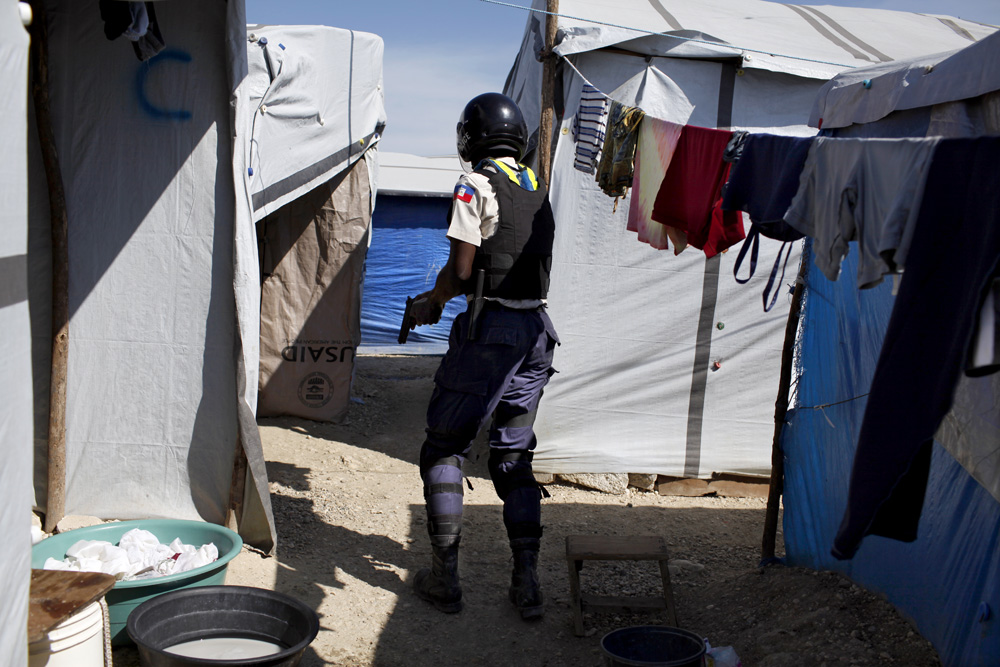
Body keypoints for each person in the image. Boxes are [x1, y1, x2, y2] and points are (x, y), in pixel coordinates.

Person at [407, 92, 559, 619]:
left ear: (471, 137)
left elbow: (463, 269)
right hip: (537, 332)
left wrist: (433, 298)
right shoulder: (540, 185)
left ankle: (445, 579)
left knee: (444, 448)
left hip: (490, 331)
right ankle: (528, 584)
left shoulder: (474, 184)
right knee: (514, 458)